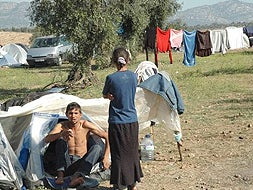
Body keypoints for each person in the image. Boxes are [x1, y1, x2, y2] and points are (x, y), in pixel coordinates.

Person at [102, 47, 143, 190]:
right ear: (128, 60)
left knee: (118, 153)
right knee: (131, 152)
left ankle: (119, 184)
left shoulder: (111, 78)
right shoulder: (133, 76)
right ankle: (132, 183)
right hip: (132, 120)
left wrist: (109, 96)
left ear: (113, 60)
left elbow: (105, 94)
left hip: (116, 121)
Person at [44, 102, 110, 188]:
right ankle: (61, 176)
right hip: (66, 163)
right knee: (60, 141)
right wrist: (61, 134)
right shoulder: (62, 126)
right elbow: (47, 139)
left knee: (97, 147)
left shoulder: (85, 125)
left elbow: (107, 136)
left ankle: (78, 176)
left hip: (81, 162)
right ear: (66, 115)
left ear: (80, 115)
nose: (73, 116)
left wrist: (106, 157)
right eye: (70, 113)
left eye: (76, 113)